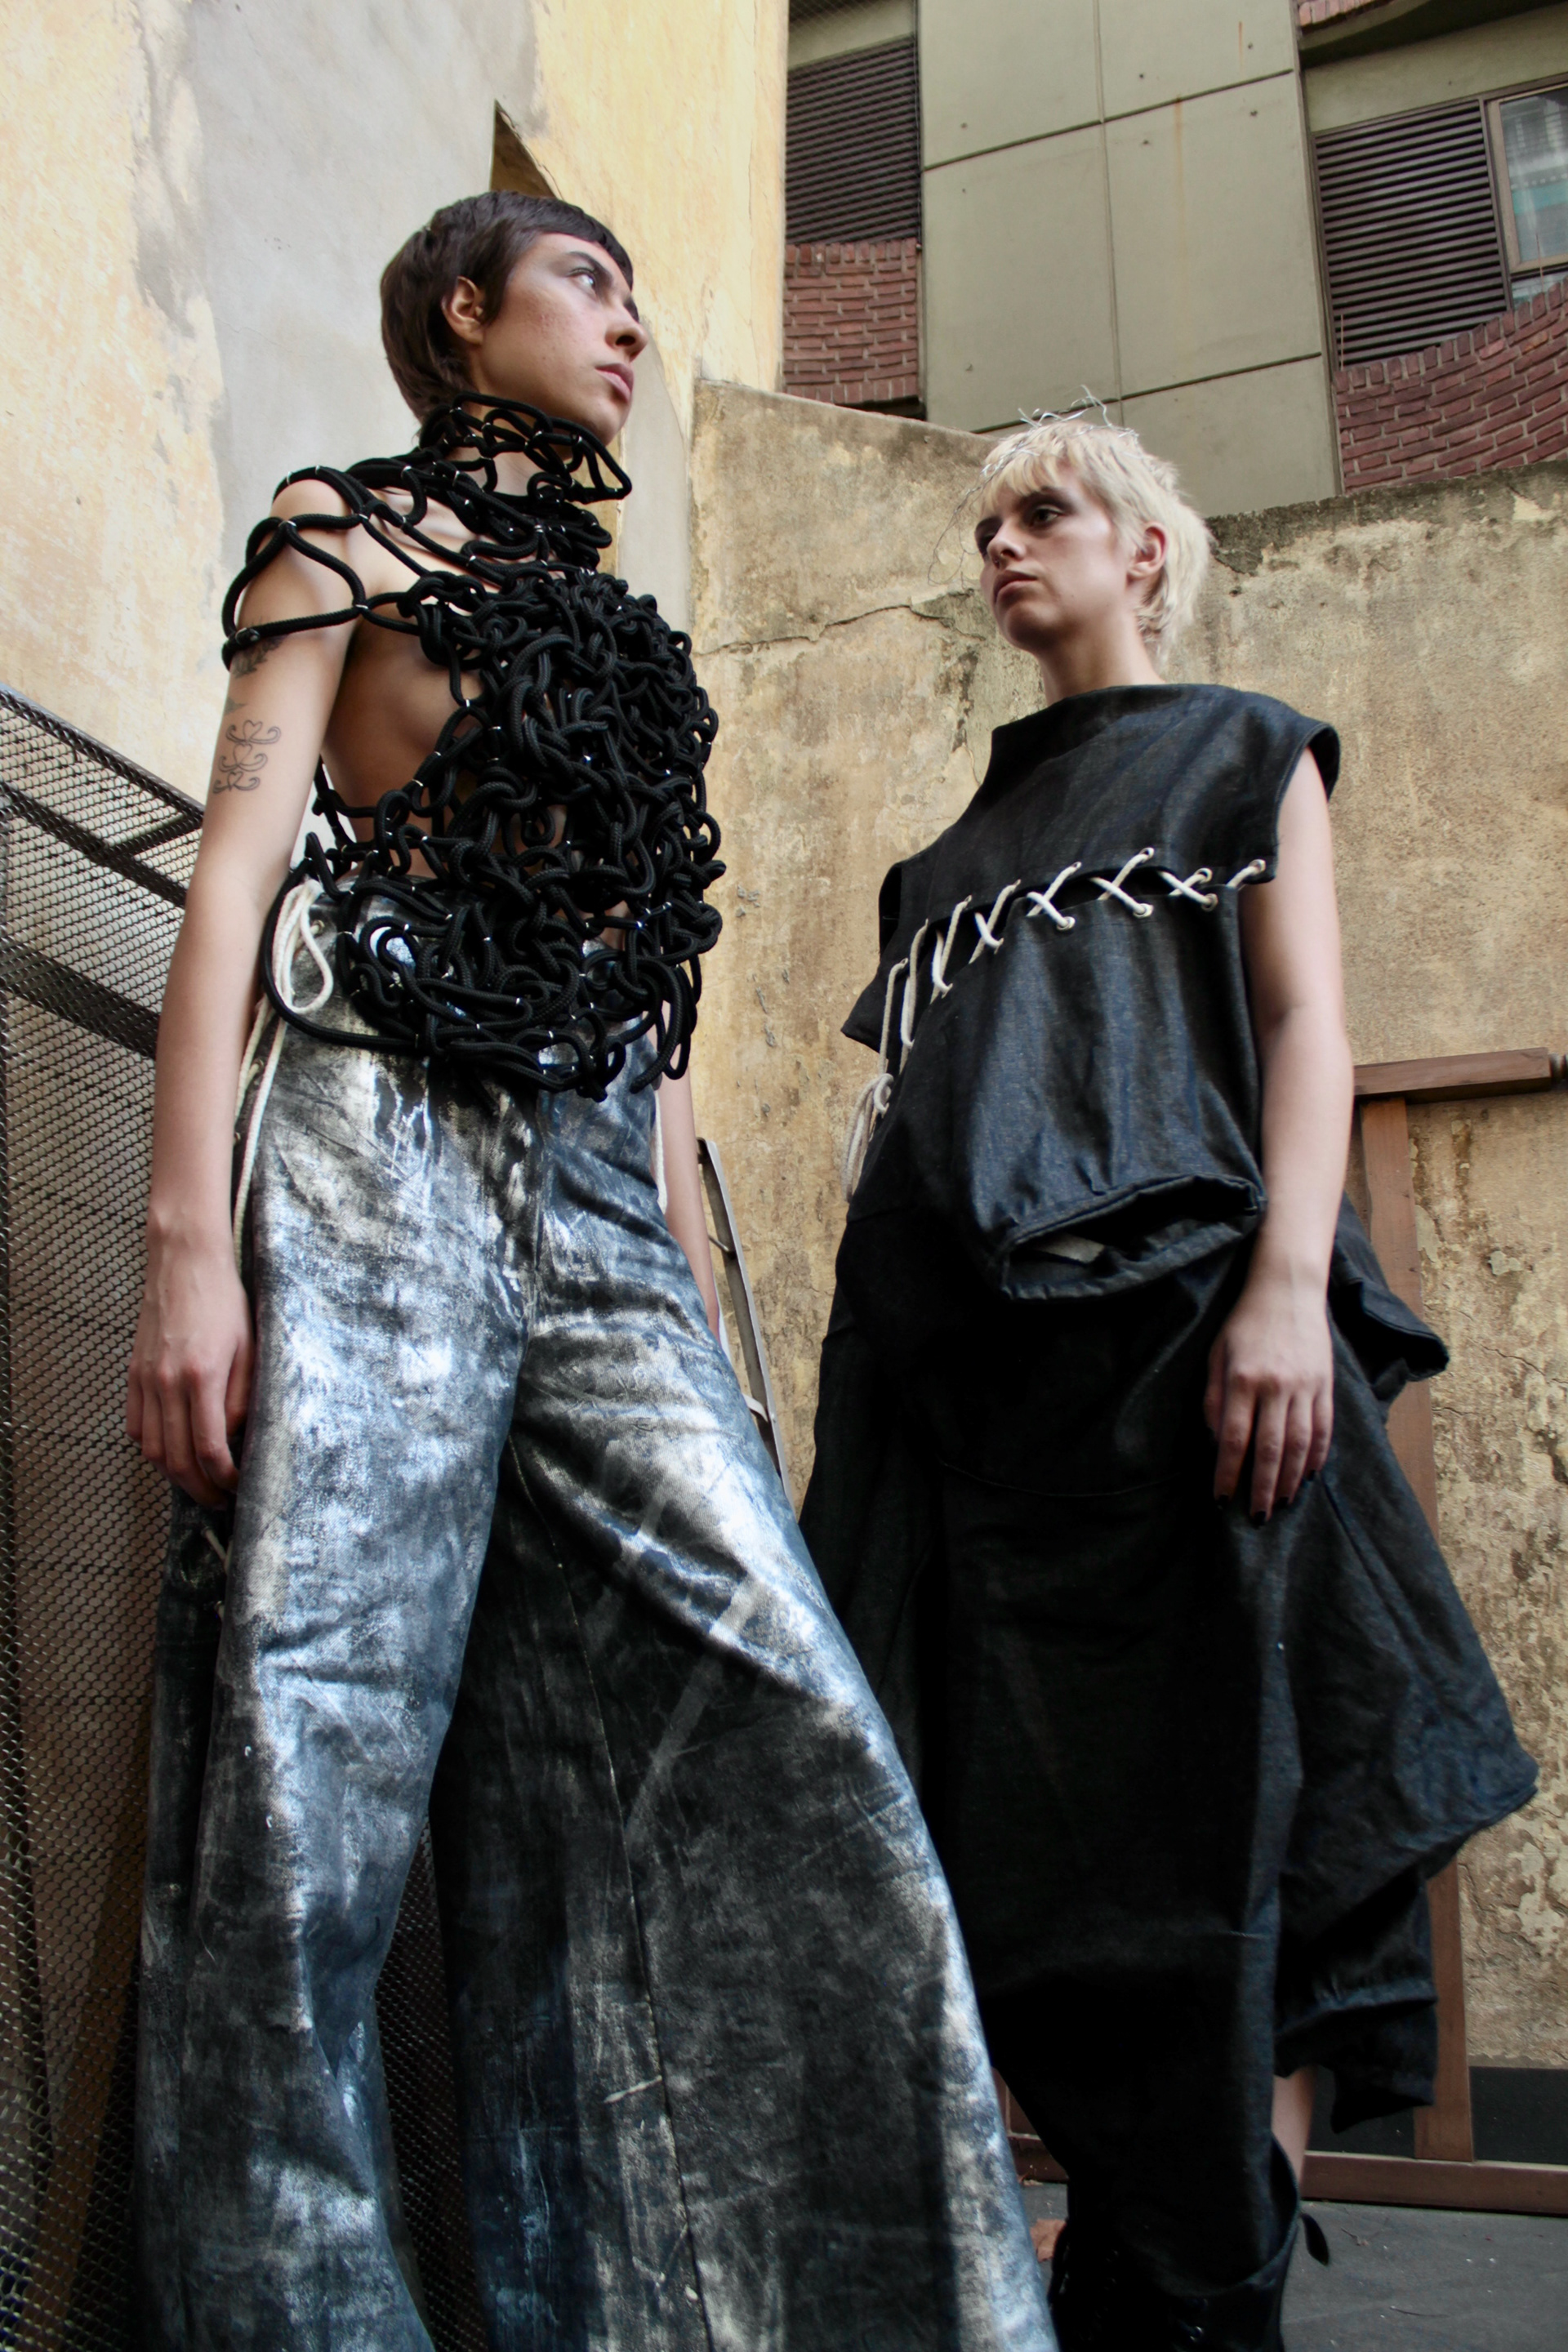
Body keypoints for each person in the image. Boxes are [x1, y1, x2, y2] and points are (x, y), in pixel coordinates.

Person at [127, 190, 1055, 2352]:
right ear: (465, 314)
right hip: (373, 1137)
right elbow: (237, 877)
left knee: (798, 1724)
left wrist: (688, 1293)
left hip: (599, 1191)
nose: (631, 327)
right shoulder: (342, 536)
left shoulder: (621, 631)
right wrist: (188, 1253)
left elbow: (657, 994)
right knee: (316, 1770)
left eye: (637, 296)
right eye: (587, 287)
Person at [802, 412, 1536, 2350]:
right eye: (985, 522)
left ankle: (1229, 2249)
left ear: (1144, 550)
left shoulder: (1244, 752)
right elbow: (918, 1146)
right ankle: (1116, 2230)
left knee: (1258, 1794)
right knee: (1024, 1846)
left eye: (1042, 512)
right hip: (982, 1428)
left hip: (1194, 1370)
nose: (1001, 546)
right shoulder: (937, 869)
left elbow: (1306, 1023)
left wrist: (1287, 1286)